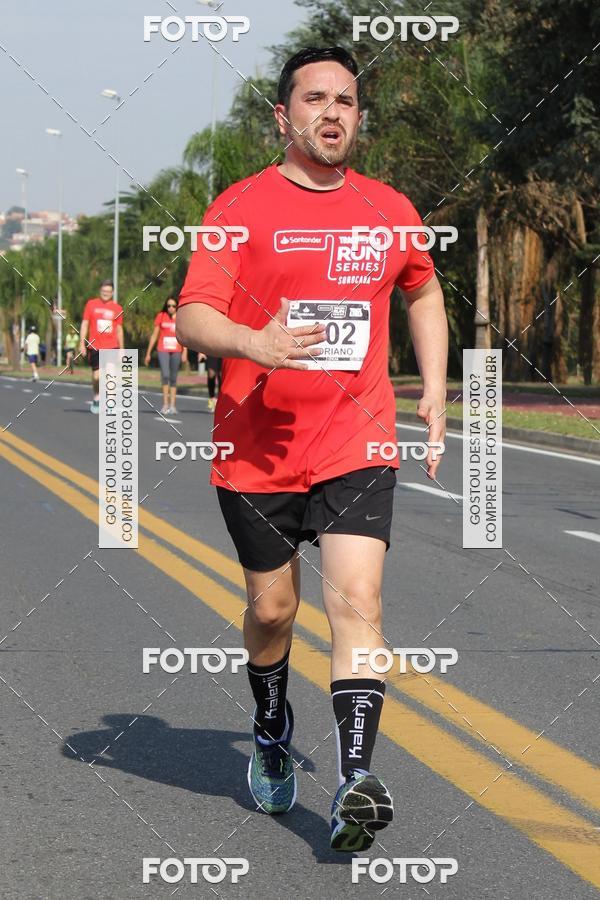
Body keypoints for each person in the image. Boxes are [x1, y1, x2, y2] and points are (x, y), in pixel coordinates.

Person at [177, 46, 448, 852]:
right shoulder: (240, 206)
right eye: (316, 99)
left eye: (347, 102)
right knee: (273, 612)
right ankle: (270, 727)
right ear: (283, 115)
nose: (333, 113)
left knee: (358, 604)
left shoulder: (389, 208)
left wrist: (433, 384)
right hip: (256, 450)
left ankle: (356, 778)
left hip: (354, 438)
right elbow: (193, 316)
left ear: (359, 117)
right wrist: (253, 342)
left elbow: (423, 287)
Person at [79, 279, 124, 414]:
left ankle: (110, 403)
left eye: (109, 291)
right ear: (100, 290)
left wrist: (122, 349)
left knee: (111, 374)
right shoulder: (91, 304)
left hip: (111, 346)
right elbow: (85, 324)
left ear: (112, 292)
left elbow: (119, 330)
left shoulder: (117, 308)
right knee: (97, 376)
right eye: (104, 291)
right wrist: (81, 343)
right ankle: (97, 397)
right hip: (95, 346)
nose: (106, 293)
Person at [145, 297, 187, 414]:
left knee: (173, 378)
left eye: (173, 306)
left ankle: (173, 405)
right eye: (169, 306)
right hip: (163, 349)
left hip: (177, 350)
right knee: (165, 375)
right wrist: (148, 353)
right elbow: (154, 335)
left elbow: (185, 336)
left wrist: (185, 352)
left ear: (177, 307)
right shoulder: (161, 316)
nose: (171, 308)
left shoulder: (180, 318)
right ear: (166, 306)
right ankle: (165, 404)